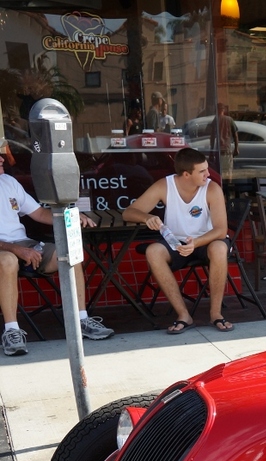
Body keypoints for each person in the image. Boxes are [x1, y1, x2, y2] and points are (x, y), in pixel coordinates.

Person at [0, 143, 113, 356]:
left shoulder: (8, 182)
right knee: (7, 260)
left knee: (71, 251)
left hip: (24, 244)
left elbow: (39, 214)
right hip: (4, 250)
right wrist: (16, 249)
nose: (2, 159)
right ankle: (11, 332)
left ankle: (81, 320)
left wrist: (69, 217)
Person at [122, 147, 234, 334]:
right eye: (202, 171)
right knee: (153, 251)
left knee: (219, 249)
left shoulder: (212, 188)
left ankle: (216, 314)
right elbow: (128, 212)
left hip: (206, 241)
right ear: (186, 174)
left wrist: (195, 243)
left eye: (207, 169)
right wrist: (146, 218)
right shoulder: (164, 186)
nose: (208, 174)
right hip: (176, 242)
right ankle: (184, 315)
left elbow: (221, 230)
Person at [217, 104, 239, 174]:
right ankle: (229, 183)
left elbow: (212, 137)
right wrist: (236, 148)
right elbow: (235, 135)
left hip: (219, 150)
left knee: (219, 172)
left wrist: (212, 150)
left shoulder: (216, 120)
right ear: (223, 110)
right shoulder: (229, 120)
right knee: (228, 171)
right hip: (227, 150)